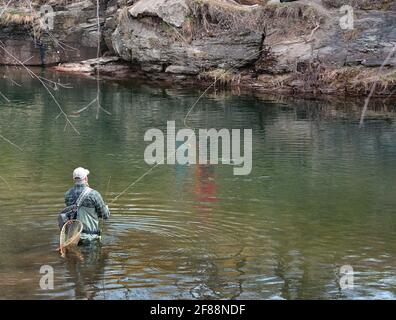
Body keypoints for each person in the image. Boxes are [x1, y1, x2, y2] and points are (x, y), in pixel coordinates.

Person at [65, 167, 110, 243]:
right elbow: (105, 216)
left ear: (74, 179)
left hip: (73, 238)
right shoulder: (94, 194)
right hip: (91, 238)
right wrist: (106, 208)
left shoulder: (68, 194)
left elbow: (70, 214)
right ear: (86, 178)